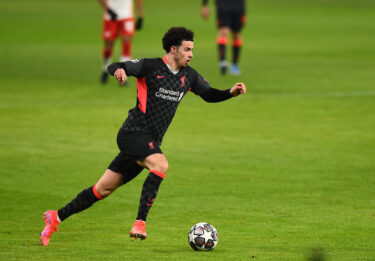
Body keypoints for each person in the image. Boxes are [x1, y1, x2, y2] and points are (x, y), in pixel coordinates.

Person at [40, 27, 246, 246]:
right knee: (160, 164)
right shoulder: (150, 67)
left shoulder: (189, 76)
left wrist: (229, 93)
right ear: (173, 49)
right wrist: (118, 71)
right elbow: (116, 65)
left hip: (149, 142)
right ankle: (140, 222)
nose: (191, 54)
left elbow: (209, 94)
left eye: (192, 50)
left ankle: (56, 217)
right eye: (187, 50)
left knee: (102, 189)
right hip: (132, 133)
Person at [99, 0, 144, 84]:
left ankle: (123, 76)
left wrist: (140, 16)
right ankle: (105, 69)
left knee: (126, 44)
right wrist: (108, 10)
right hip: (111, 16)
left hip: (126, 15)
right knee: (108, 45)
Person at [201, 0, 246, 75]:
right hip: (223, 5)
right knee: (223, 32)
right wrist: (205, 4)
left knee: (236, 35)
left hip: (238, 6)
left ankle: (234, 65)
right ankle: (223, 62)